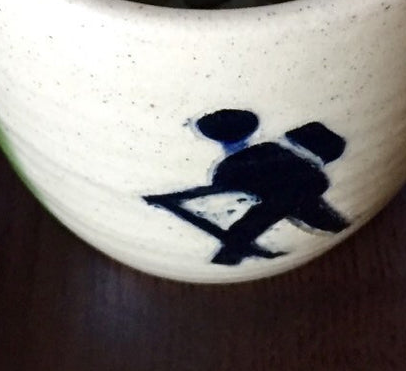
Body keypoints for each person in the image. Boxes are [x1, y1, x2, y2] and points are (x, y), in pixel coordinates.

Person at [144, 109, 349, 265]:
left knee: (287, 203)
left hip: (263, 191)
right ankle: (236, 245)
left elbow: (228, 181)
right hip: (271, 193)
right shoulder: (287, 161)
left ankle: (234, 247)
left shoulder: (265, 152)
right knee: (290, 203)